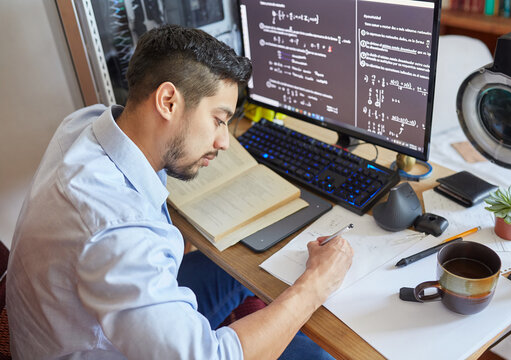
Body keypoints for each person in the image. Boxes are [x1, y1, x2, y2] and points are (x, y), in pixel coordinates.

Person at [6, 25, 353, 359]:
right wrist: (315, 285)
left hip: (73, 323)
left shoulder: (85, 124)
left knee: (252, 265)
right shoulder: (118, 232)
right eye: (219, 120)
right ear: (168, 101)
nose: (224, 142)